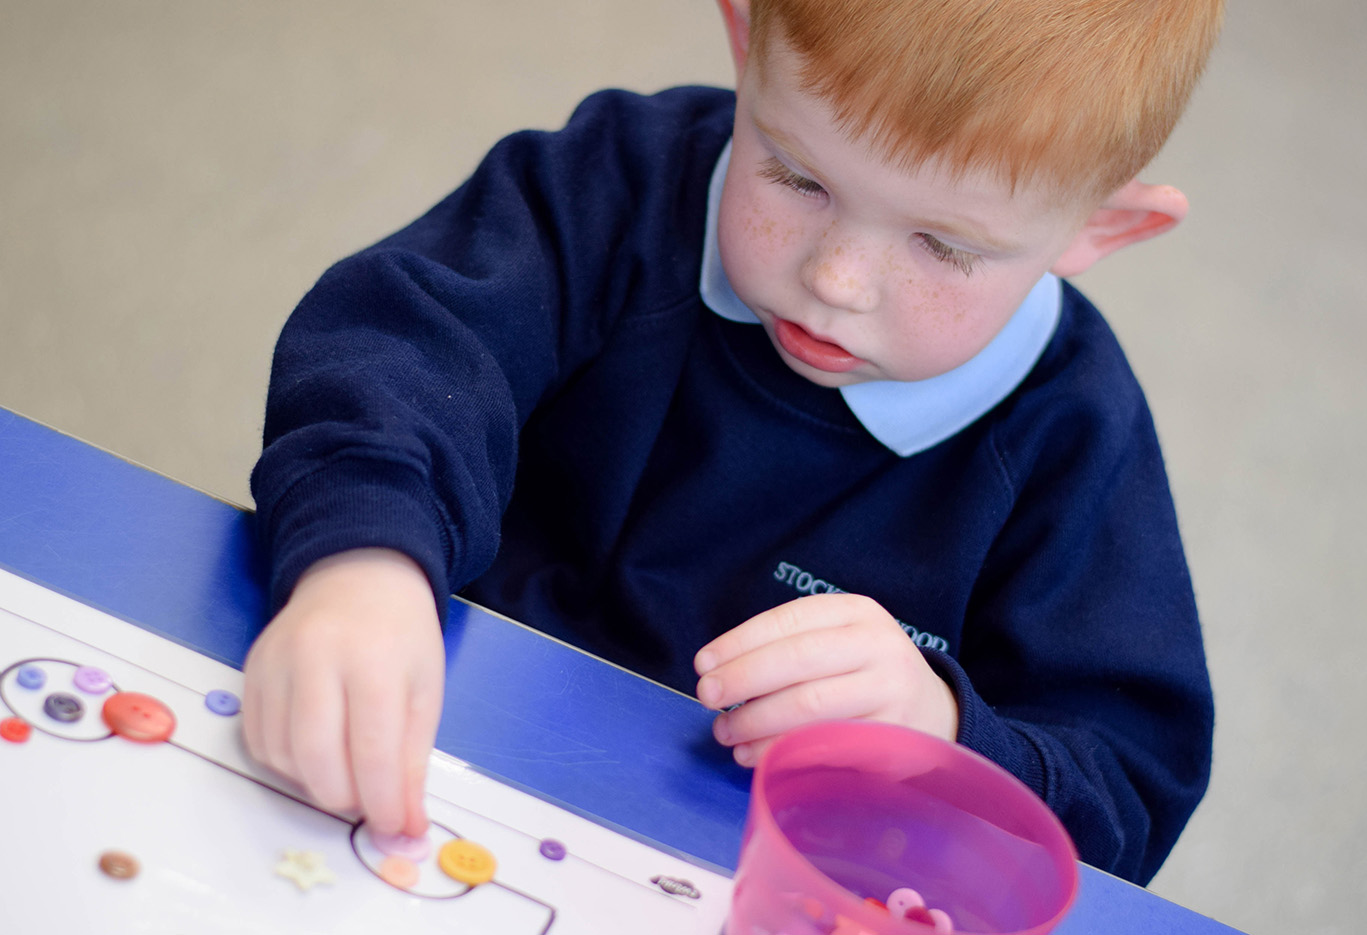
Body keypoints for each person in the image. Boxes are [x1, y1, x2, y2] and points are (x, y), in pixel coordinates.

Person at [243, 0, 1223, 885]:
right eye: (795, 177)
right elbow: (398, 347)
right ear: (746, 39)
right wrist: (365, 561)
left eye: (944, 246)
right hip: (440, 739)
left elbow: (1124, 794)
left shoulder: (1072, 435)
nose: (836, 278)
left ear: (1101, 225)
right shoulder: (618, 184)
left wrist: (940, 739)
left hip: (773, 880)